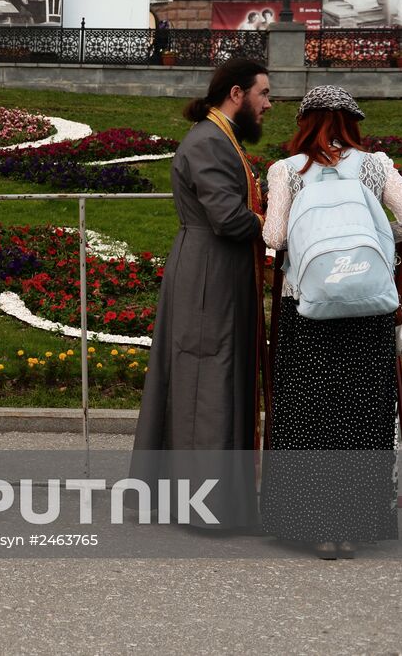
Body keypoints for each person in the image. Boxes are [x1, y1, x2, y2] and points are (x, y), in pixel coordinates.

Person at [259, 86, 402, 559]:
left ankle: (315, 526)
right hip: (368, 306)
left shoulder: (287, 171)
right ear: (352, 123)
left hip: (309, 307)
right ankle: (355, 525)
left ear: (303, 124)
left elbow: (275, 236)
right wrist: (376, 238)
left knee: (311, 414)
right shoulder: (376, 166)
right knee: (361, 415)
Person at [131, 59, 273, 531]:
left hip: (216, 269)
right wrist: (278, 227)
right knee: (205, 380)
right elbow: (229, 219)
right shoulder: (210, 141)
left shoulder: (219, 135)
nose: (269, 105)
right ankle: (202, 506)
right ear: (237, 93)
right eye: (264, 94)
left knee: (212, 375)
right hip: (209, 274)